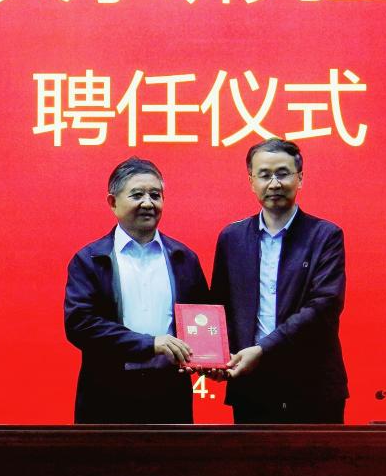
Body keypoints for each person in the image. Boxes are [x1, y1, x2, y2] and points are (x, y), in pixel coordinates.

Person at [212, 139, 348, 423]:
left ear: (300, 178)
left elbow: (324, 307)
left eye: (283, 174)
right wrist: (214, 356)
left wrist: (264, 349)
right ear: (251, 181)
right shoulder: (232, 238)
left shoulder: (325, 235)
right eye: (264, 175)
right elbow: (220, 307)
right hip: (251, 386)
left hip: (313, 387)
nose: (274, 183)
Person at [65, 156, 209, 423]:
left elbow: (203, 319)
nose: (148, 203)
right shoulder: (90, 259)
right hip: (106, 395)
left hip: (170, 395)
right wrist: (150, 344)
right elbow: (80, 325)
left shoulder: (184, 258)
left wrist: (212, 356)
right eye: (137, 195)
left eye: (155, 195)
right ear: (113, 202)